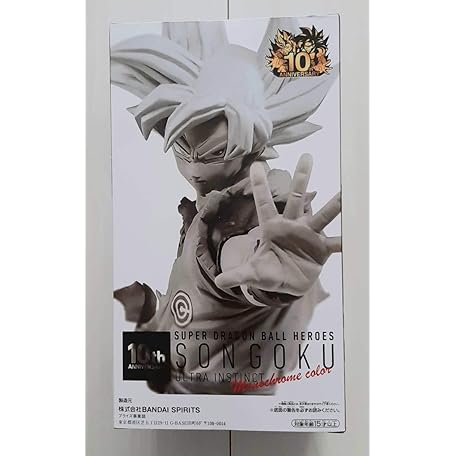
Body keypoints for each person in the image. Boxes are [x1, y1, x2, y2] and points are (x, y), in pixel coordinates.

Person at [111, 18, 341, 394]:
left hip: (207, 396)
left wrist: (268, 268)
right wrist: (150, 314)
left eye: (215, 152)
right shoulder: (211, 200)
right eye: (182, 148)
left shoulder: (252, 208)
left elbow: (238, 251)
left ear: (252, 143)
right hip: (172, 371)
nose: (194, 167)